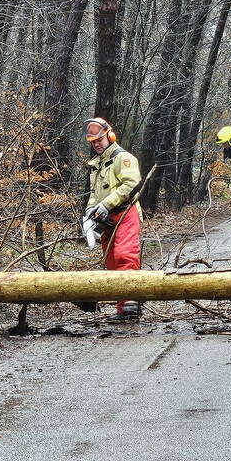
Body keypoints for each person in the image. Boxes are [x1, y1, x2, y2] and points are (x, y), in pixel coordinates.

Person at [84, 117, 143, 319]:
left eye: (99, 140)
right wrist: (91, 209)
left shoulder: (123, 158)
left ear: (109, 136)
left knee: (124, 254)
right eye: (93, 142)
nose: (97, 144)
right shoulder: (97, 164)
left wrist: (107, 203)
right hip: (106, 216)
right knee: (111, 261)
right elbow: (94, 192)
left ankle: (131, 302)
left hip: (126, 211)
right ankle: (121, 308)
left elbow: (132, 184)